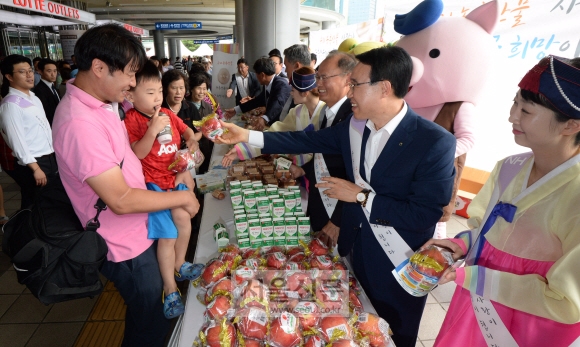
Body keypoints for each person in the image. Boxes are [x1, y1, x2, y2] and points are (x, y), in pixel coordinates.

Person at [215, 46, 456, 347]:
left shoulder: (435, 143)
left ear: (384, 88)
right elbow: (305, 139)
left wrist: (361, 197)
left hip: (397, 264)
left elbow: (425, 214)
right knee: (349, 328)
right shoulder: (355, 127)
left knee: (393, 334)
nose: (349, 91)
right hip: (354, 249)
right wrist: (247, 135)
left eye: (355, 84)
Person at [52, 24, 201, 346]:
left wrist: (179, 170)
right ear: (99, 67)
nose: (134, 83)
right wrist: (180, 199)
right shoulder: (80, 122)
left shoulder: (105, 103)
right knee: (150, 322)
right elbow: (119, 198)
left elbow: (136, 157)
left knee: (149, 315)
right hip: (124, 245)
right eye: (130, 74)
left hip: (138, 227)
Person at [426, 56, 580, 346]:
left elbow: (567, 302)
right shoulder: (509, 167)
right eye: (515, 103)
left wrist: (474, 278)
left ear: (570, 124)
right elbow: (487, 229)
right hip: (475, 304)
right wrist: (461, 245)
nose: (512, 116)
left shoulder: (575, 195)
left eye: (527, 110)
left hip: (528, 326)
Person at [124, 61, 203, 319]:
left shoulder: (168, 115)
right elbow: (138, 152)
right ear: (130, 95)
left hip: (174, 178)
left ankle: (180, 265)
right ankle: (170, 288)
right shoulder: (133, 120)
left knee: (183, 220)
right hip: (154, 185)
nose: (158, 97)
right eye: (150, 93)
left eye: (159, 91)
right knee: (167, 235)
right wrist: (152, 131)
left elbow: (187, 130)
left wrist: (191, 142)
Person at [222, 66, 325, 166]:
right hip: (298, 169)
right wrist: (242, 150)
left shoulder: (326, 113)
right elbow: (273, 136)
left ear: (305, 93)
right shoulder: (296, 112)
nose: (291, 93)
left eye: (293, 90)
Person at [0, 54, 57, 210]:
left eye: (30, 70)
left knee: (48, 205)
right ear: (9, 76)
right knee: (33, 206)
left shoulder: (33, 98)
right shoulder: (10, 105)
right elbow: (17, 141)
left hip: (49, 158)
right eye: (22, 71)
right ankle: (23, 234)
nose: (29, 75)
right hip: (34, 164)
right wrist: (36, 169)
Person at [224, 57, 291, 130]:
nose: (256, 76)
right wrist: (236, 109)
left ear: (262, 75)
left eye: (256, 74)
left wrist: (264, 118)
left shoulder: (281, 84)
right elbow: (257, 101)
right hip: (273, 126)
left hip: (283, 127)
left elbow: (278, 103)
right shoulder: (267, 85)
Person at [186, 73, 214, 174]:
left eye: (204, 88)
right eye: (199, 88)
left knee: (204, 173)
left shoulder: (207, 106)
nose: (202, 92)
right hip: (189, 149)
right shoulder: (184, 106)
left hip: (205, 147)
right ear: (191, 89)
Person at [278, 44, 312, 122]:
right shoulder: (298, 85)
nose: (285, 70)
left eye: (286, 66)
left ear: (297, 66)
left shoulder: (309, 90)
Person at [33, 58, 60, 125]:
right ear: (40, 71)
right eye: (49, 71)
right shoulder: (39, 90)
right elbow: (46, 113)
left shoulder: (53, 87)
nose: (53, 74)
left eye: (55, 71)